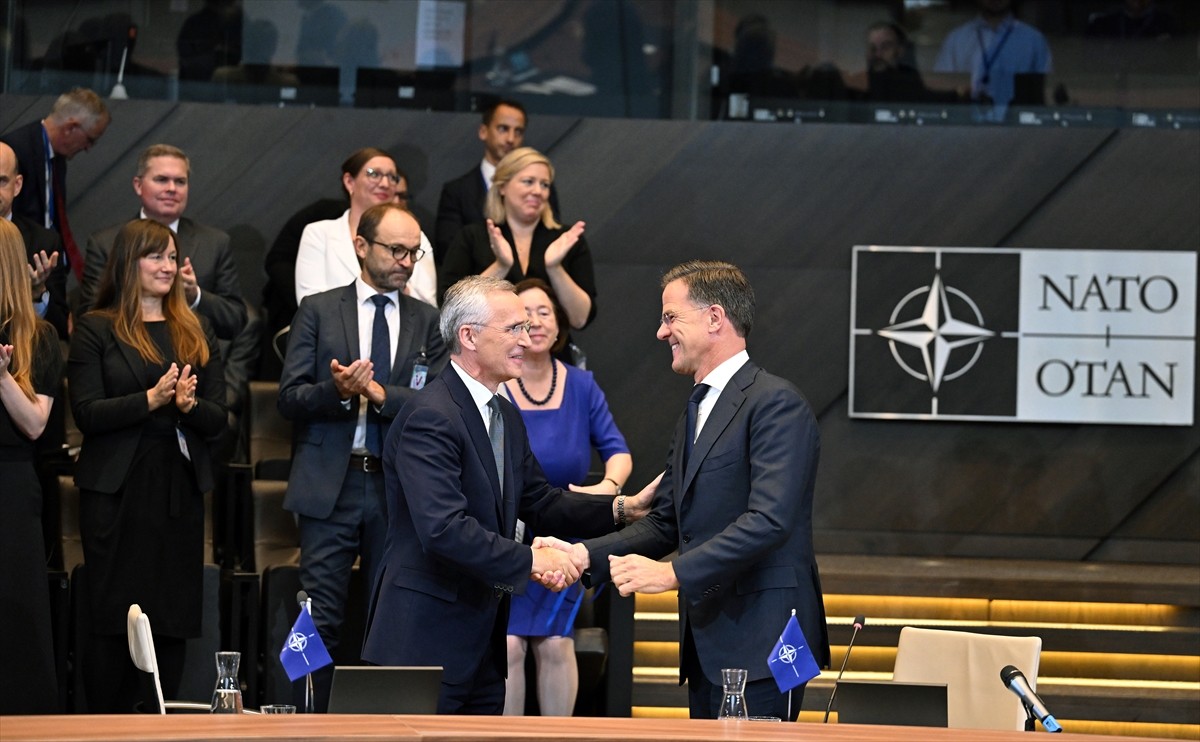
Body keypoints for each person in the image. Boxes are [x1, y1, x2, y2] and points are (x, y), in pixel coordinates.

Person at [542, 260, 829, 721]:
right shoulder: (695, 410)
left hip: (768, 643)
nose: (661, 332)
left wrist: (673, 575)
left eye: (670, 318)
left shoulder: (776, 403)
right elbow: (665, 522)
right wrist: (581, 556)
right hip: (710, 644)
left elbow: (769, 520)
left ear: (715, 318)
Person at [360, 275, 648, 714]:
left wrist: (623, 508)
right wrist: (535, 560)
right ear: (469, 336)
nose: (527, 336)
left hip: (482, 649)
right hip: (423, 646)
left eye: (528, 325)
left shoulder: (505, 415)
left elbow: (540, 501)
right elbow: (443, 529)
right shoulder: (430, 417)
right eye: (513, 327)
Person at [277, 202, 447, 712]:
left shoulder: (428, 320)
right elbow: (289, 398)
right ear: (360, 246)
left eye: (413, 252)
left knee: (388, 614)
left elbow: (436, 404)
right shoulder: (319, 309)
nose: (406, 261)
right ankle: (300, 718)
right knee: (315, 615)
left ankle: (380, 724)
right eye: (395, 249)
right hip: (331, 481)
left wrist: (377, 394)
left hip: (396, 489)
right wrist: (338, 391)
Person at [68, 219, 226, 712]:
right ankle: (106, 722)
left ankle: (160, 719)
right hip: (116, 492)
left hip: (177, 488)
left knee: (171, 616)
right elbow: (87, 414)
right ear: (128, 263)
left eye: (172, 256)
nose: (167, 266)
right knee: (115, 616)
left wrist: (185, 406)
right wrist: (150, 399)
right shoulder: (96, 327)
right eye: (155, 256)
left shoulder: (195, 329)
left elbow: (219, 418)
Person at [501, 278, 631, 716]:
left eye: (544, 313)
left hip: (563, 538)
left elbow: (618, 452)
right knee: (510, 646)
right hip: (508, 536)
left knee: (556, 643)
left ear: (559, 328)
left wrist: (607, 490)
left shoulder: (581, 385)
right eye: (524, 314)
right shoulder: (498, 385)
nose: (535, 322)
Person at [80, 144, 256, 461]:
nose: (172, 188)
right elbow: (91, 316)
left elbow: (236, 320)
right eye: (162, 179)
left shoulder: (215, 243)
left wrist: (195, 296)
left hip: (192, 406)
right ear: (138, 185)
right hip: (122, 395)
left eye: (180, 181)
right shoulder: (106, 242)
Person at [0, 219, 61, 714]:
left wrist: (0, 379)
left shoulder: (37, 338)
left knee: (16, 607)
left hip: (11, 486)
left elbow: (36, 424)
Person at [439, 148, 595, 332]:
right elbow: (451, 310)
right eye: (528, 182)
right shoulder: (472, 236)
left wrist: (555, 268)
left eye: (545, 185)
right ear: (502, 186)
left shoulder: (566, 240)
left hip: (550, 355)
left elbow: (580, 318)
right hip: (489, 355)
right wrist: (501, 266)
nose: (538, 191)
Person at [295, 148, 437, 308]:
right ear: (349, 181)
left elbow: (428, 305)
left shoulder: (415, 236)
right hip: (334, 331)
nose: (385, 184)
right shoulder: (319, 234)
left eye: (392, 177)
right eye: (374, 174)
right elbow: (310, 304)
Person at [434, 99, 560, 266]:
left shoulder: (540, 190)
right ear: (483, 131)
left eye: (518, 132)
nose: (510, 138)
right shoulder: (457, 191)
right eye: (503, 129)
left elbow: (550, 242)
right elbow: (449, 251)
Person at [1, 87, 110, 281]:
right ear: (71, 128)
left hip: (50, 268)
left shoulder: (57, 158)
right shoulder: (15, 149)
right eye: (90, 140)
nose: (87, 148)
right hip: (20, 269)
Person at [932, 0, 1052, 120]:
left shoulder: (1034, 41)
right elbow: (942, 91)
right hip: (966, 127)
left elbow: (1044, 97)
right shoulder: (957, 39)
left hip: (1018, 129)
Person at [0, 142, 68, 339]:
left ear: (17, 185)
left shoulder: (44, 243)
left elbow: (60, 330)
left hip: (23, 356)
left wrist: (37, 293)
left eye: (1, 181)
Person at [863, 22, 961, 104]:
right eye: (872, 48)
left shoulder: (912, 83)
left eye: (885, 47)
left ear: (900, 50)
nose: (878, 54)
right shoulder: (857, 89)